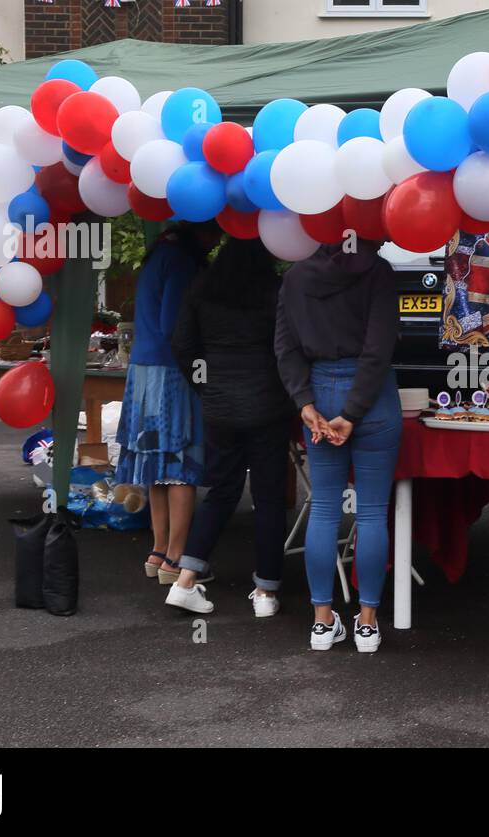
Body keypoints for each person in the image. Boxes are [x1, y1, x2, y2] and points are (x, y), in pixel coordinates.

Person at [275, 240, 400, 652]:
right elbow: (379, 349)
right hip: (374, 398)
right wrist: (356, 410)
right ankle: (366, 624)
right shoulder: (378, 272)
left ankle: (322, 622)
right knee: (372, 512)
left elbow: (285, 348)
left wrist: (305, 403)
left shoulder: (293, 277)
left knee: (325, 509)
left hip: (321, 393)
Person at [164, 238, 295, 616]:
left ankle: (185, 580)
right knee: (268, 498)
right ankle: (266, 593)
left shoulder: (202, 287)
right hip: (268, 404)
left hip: (219, 407)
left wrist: (204, 385)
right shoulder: (274, 290)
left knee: (222, 491)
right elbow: (287, 347)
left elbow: (182, 345)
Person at [116, 221, 222, 585]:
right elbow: (174, 325)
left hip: (143, 370)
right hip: (171, 372)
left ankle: (158, 551)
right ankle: (177, 558)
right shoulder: (181, 262)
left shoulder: (159, 253)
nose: (216, 242)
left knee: (157, 465)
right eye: (214, 234)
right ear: (199, 231)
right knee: (180, 466)